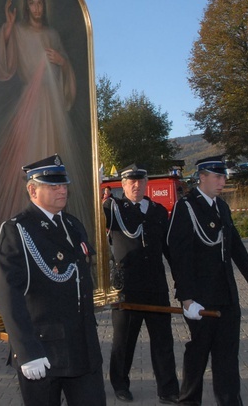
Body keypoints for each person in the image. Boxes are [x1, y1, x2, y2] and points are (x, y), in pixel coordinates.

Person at [0, 0, 92, 278]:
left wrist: (63, 61)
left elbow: (67, 72)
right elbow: (2, 65)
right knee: (32, 159)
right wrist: (7, 27)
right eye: (31, 3)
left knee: (54, 159)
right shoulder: (17, 31)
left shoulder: (53, 35)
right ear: (25, 5)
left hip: (53, 107)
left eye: (39, 2)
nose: (36, 8)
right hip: (29, 108)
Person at [0, 155, 105, 406]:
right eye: (53, 186)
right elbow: (8, 293)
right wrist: (26, 350)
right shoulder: (17, 229)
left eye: (63, 185)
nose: (62, 190)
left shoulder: (73, 225)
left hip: (82, 346)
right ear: (32, 189)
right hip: (43, 348)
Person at [166, 156, 248, 406]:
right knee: (198, 353)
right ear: (202, 177)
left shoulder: (221, 206)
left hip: (226, 295)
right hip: (201, 297)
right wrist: (187, 298)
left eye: (224, 177)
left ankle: (230, 401)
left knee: (227, 356)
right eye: (218, 176)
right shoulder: (187, 207)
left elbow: (236, 247)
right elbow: (179, 255)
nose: (222, 181)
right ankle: (189, 400)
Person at [103, 164, 179, 404]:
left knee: (163, 341)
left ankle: (168, 389)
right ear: (123, 185)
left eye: (140, 181)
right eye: (130, 182)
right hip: (127, 287)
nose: (136, 186)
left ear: (147, 183)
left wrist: (181, 280)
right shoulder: (113, 208)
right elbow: (93, 219)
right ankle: (120, 385)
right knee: (123, 341)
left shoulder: (157, 210)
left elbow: (168, 248)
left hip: (156, 285)